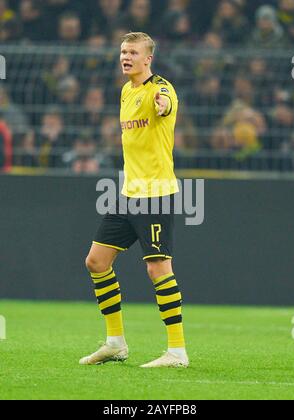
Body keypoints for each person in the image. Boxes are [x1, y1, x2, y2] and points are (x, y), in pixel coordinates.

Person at [80, 32, 189, 368]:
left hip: (155, 195)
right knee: (96, 261)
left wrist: (164, 106)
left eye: (133, 52)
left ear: (148, 59)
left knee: (157, 268)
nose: (126, 57)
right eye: (123, 51)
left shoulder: (161, 88)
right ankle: (115, 343)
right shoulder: (126, 91)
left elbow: (167, 103)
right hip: (128, 194)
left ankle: (177, 351)